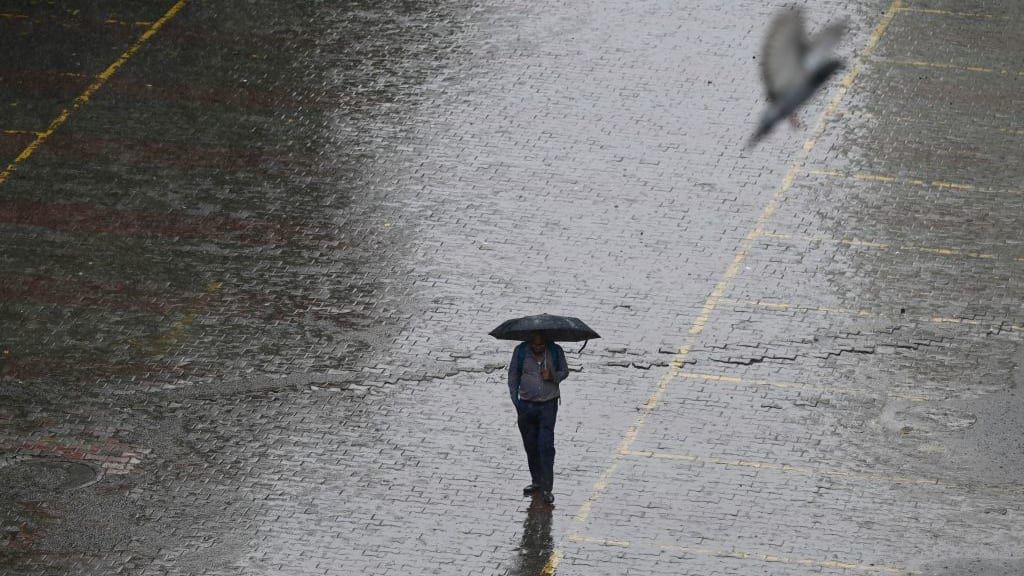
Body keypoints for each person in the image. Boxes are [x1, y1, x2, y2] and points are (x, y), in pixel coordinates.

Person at [508, 333, 569, 504]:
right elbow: (513, 376)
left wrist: (553, 376)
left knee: (546, 446)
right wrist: (516, 402)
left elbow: (565, 371)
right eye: (535, 345)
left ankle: (547, 487)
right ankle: (536, 481)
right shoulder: (520, 352)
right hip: (526, 407)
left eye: (541, 345)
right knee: (531, 445)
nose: (538, 348)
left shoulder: (555, 351)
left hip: (548, 406)